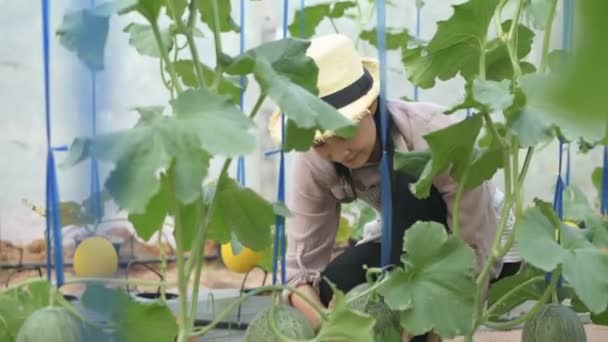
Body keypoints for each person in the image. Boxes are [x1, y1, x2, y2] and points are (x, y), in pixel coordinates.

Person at [267, 34, 520, 341]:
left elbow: (473, 246)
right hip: (401, 241)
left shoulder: (434, 132)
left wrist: (436, 320)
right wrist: (326, 320)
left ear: (371, 105)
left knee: (408, 180)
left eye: (344, 130)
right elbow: (299, 269)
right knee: (333, 285)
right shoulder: (315, 161)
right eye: (321, 141)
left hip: (490, 247)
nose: (338, 152)